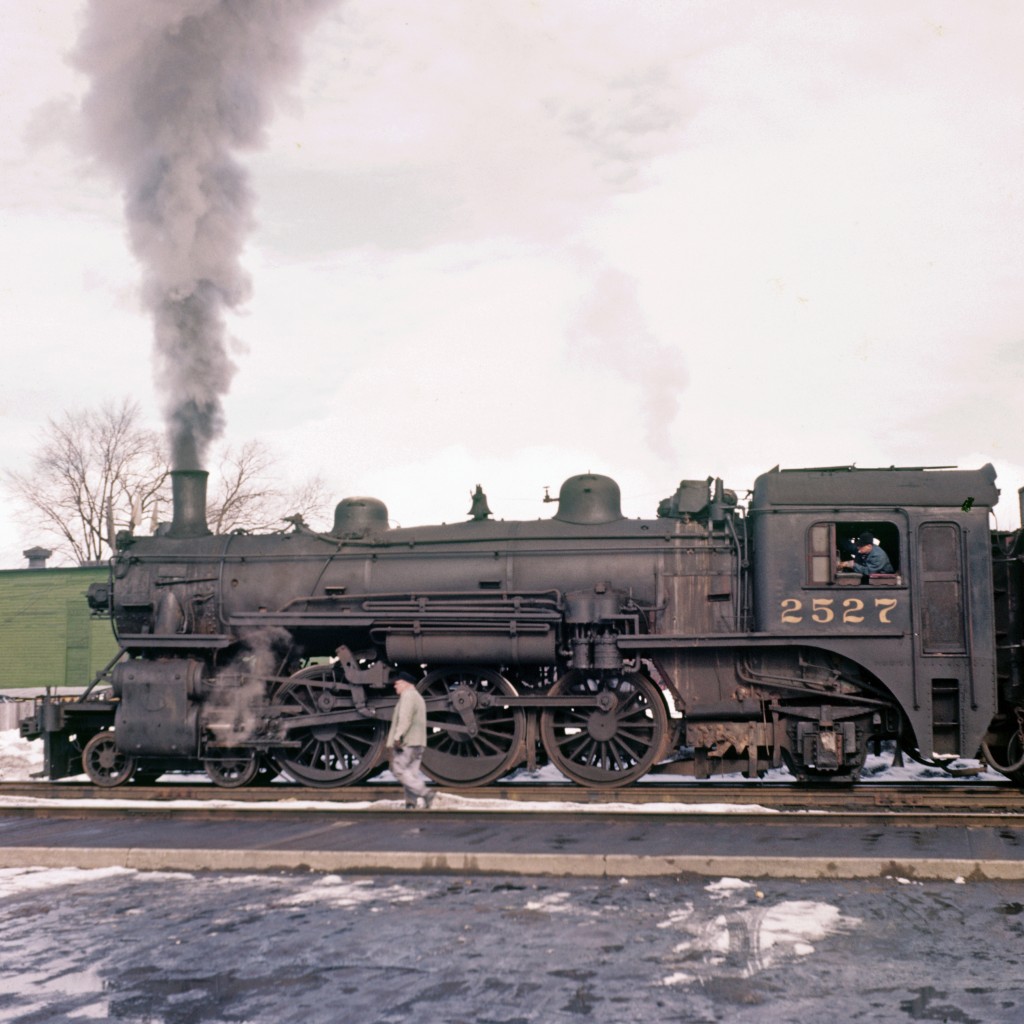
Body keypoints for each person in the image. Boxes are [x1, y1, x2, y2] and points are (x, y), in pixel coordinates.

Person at [386, 671, 434, 810]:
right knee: (411, 773)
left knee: (398, 770)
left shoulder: (407, 696)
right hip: (419, 741)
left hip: (408, 741)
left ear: (404, 683)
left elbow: (405, 719)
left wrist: (397, 737)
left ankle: (426, 793)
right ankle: (411, 803)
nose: (395, 686)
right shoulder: (417, 697)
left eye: (397, 683)